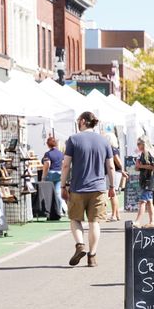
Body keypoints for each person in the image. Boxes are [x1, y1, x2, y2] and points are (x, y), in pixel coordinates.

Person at [60, 111, 115, 268]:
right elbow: (110, 166)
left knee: (75, 219)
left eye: (78, 120)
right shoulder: (104, 141)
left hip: (78, 187)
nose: (78, 123)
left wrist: (63, 186)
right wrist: (112, 186)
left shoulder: (73, 140)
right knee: (94, 222)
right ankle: (92, 256)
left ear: (83, 121)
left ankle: (79, 245)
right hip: (98, 188)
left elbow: (66, 165)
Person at [134, 136, 154, 228]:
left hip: (149, 180)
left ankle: (137, 221)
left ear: (144, 144)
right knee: (149, 202)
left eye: (139, 144)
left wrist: (141, 166)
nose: (137, 146)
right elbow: (137, 167)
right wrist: (138, 165)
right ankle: (152, 222)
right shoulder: (142, 154)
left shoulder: (149, 153)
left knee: (142, 201)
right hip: (145, 179)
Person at [41, 137, 66, 215]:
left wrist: (43, 177)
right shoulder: (61, 153)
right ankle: (60, 211)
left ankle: (50, 210)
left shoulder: (48, 154)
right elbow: (63, 164)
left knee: (49, 193)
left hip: (51, 174)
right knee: (58, 193)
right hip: (59, 174)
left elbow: (47, 165)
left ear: (48, 145)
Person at [106, 134, 124, 222]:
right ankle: (117, 214)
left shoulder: (111, 149)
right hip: (116, 172)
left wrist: (121, 169)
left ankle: (114, 215)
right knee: (114, 194)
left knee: (112, 194)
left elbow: (117, 160)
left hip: (114, 172)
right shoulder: (114, 148)